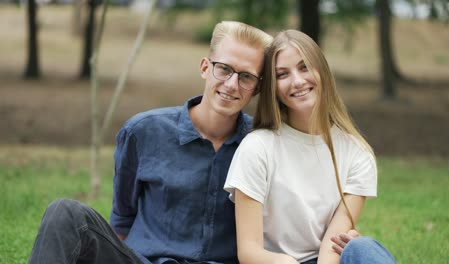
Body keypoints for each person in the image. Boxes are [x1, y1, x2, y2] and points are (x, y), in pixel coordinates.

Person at [29, 21, 272, 264]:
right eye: (224, 69)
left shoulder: (262, 145)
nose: (231, 84)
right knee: (65, 213)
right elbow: (122, 221)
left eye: (246, 77)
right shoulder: (143, 132)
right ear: (205, 67)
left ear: (258, 87)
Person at [224, 30, 396, 264]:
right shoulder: (257, 148)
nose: (297, 81)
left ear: (322, 70)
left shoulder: (357, 153)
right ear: (273, 87)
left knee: (361, 248)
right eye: (282, 74)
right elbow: (248, 252)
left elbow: (332, 245)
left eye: (304, 67)